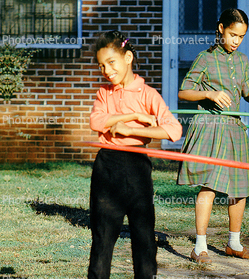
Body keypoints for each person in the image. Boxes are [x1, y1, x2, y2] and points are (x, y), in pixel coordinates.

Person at [88, 30, 182, 278]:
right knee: (103, 236)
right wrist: (135, 116)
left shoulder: (148, 94)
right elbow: (97, 122)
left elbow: (174, 129)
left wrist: (131, 128)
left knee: (143, 235)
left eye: (111, 62)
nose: (106, 71)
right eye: (101, 66)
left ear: (128, 57)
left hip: (137, 166)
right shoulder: (104, 93)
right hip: (107, 165)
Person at [177, 8, 249, 264]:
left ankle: (234, 243)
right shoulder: (205, 59)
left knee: (240, 187)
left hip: (234, 129)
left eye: (241, 36)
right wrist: (209, 94)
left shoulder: (242, 61)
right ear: (220, 29)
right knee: (210, 185)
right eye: (232, 34)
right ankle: (200, 247)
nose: (236, 41)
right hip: (211, 128)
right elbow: (184, 92)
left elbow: (247, 89)